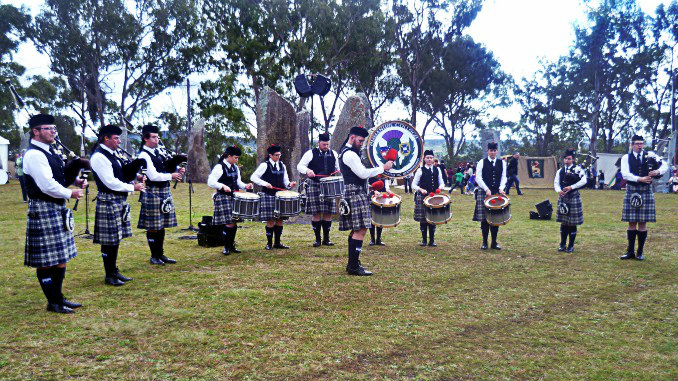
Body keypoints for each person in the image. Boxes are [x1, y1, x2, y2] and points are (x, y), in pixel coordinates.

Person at [23, 114, 87, 313]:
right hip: (42, 208)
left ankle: (58, 297)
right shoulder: (34, 154)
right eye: (48, 128)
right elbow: (46, 185)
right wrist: (71, 192)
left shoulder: (50, 151)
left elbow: (56, 178)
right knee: (45, 261)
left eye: (53, 128)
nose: (53, 132)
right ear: (36, 131)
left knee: (60, 258)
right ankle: (53, 302)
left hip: (56, 207)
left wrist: (74, 182)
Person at [91, 124, 145, 286]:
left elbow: (120, 174)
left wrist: (136, 177)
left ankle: (114, 271)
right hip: (108, 200)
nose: (119, 142)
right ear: (105, 138)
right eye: (116, 138)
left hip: (117, 200)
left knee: (115, 239)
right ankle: (109, 274)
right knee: (109, 240)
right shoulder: (99, 157)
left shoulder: (113, 154)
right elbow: (110, 182)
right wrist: (132, 187)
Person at [339, 126, 393, 275]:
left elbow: (358, 175)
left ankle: (353, 263)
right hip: (355, 193)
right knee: (360, 229)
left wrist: (367, 186)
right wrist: (382, 167)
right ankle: (353, 266)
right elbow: (362, 173)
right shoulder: (349, 154)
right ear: (352, 137)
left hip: (357, 191)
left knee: (357, 229)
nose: (361, 143)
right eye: (360, 140)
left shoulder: (349, 152)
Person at [137, 124, 184, 265]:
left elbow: (163, 168)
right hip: (153, 191)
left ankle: (160, 254)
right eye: (154, 137)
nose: (157, 140)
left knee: (161, 224)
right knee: (153, 226)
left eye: (157, 137)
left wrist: (176, 169)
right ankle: (154, 256)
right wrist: (172, 175)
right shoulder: (144, 155)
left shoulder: (156, 152)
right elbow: (153, 176)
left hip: (163, 190)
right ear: (146, 138)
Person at [619, 135, 668, 261]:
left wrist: (658, 172)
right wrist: (639, 178)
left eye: (641, 143)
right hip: (632, 189)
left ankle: (640, 252)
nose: (640, 146)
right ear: (632, 145)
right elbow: (625, 174)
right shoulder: (626, 157)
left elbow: (665, 165)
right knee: (631, 223)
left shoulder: (650, 155)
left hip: (646, 190)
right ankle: (630, 251)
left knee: (642, 223)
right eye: (637, 144)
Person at [207, 145, 254, 256]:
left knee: (234, 221)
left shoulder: (235, 167)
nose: (237, 160)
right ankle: (226, 247)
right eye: (236, 158)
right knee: (229, 223)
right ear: (229, 156)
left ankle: (231, 245)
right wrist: (222, 186)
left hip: (234, 196)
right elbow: (210, 181)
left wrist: (245, 186)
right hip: (223, 197)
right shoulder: (219, 167)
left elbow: (238, 182)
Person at [296, 133, 339, 247]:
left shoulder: (333, 153)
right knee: (316, 213)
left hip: (329, 185)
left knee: (328, 213)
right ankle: (317, 239)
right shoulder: (310, 153)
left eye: (327, 144)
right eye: (324, 144)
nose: (326, 146)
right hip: (314, 184)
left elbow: (338, 167)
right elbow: (300, 166)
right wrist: (307, 171)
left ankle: (326, 239)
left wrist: (340, 171)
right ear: (318, 142)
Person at [251, 144, 297, 250]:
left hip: (280, 196)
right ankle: (269, 244)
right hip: (268, 195)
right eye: (276, 155)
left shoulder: (282, 165)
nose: (278, 157)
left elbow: (285, 181)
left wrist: (290, 185)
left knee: (280, 220)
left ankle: (277, 243)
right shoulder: (265, 165)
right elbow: (253, 177)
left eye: (279, 155)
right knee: (270, 220)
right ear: (270, 155)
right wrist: (264, 183)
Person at [473, 142, 507, 250]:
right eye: (491, 151)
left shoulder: (502, 163)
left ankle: (494, 242)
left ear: (496, 151)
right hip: (484, 192)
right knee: (484, 218)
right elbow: (478, 177)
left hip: (496, 192)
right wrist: (486, 188)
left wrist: (501, 188)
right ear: (488, 151)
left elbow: (504, 177)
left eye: (494, 151)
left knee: (495, 218)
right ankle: (484, 242)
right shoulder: (481, 162)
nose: (492, 152)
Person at [554, 149, 587, 253]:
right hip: (563, 197)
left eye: (569, 159)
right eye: (565, 158)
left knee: (572, 223)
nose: (567, 160)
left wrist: (572, 187)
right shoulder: (560, 171)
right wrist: (559, 191)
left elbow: (584, 180)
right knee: (564, 222)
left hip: (573, 197)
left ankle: (571, 245)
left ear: (573, 160)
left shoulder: (578, 169)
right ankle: (562, 244)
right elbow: (556, 182)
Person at [413, 150, 445, 246]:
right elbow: (413, 184)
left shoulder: (437, 169)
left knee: (432, 219)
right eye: (427, 158)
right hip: (423, 197)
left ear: (433, 158)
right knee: (423, 219)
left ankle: (432, 240)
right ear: (424, 159)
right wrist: (420, 189)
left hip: (434, 197)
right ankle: (423, 240)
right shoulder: (420, 170)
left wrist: (440, 187)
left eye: (431, 158)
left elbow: (442, 182)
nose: (429, 159)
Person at [368, 175, 390, 246]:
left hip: (380, 197)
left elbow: (386, 187)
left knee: (380, 218)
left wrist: (389, 192)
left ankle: (378, 239)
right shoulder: (370, 172)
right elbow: (366, 185)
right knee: (372, 218)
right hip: (371, 196)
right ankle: (372, 239)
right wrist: (374, 191)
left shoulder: (383, 174)